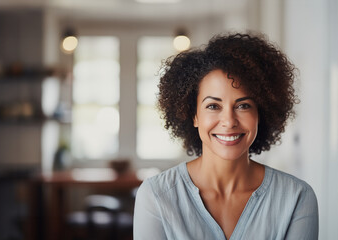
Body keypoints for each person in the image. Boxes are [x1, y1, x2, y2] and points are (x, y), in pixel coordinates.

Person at [133, 32, 318, 240]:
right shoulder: (157, 195)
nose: (229, 121)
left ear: (260, 114)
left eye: (243, 106)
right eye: (213, 106)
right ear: (193, 115)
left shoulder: (296, 198)